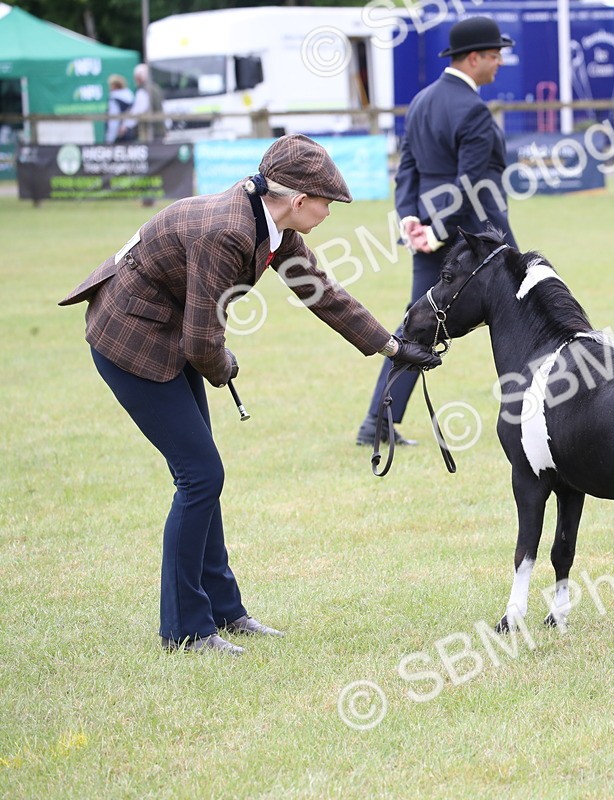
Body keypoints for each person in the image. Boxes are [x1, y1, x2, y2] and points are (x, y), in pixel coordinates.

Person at [59, 134, 442, 655]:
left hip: (169, 335)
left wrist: (392, 347)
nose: (331, 212)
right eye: (328, 203)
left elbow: (322, 293)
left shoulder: (271, 225)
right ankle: (186, 630)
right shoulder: (230, 232)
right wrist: (224, 366)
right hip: (132, 339)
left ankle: (225, 611)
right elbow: (200, 340)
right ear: (299, 199)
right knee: (201, 475)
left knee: (201, 475)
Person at [355, 16, 519, 447]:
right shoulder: (474, 111)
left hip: (429, 230)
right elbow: (469, 182)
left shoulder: (422, 101)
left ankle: (378, 420)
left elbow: (406, 169)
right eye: (495, 55)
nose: (500, 62)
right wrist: (439, 227)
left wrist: (411, 218)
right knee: (527, 307)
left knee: (419, 322)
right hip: (476, 236)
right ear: (474, 58)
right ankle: (546, 403)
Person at [131, 63, 166, 143]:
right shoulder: (156, 88)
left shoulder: (143, 91)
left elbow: (137, 111)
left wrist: (125, 126)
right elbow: (163, 107)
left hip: (149, 132)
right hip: (160, 130)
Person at [105, 75, 135, 144]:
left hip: (119, 136)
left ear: (114, 86)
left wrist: (110, 139)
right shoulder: (130, 96)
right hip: (131, 134)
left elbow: (113, 120)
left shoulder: (114, 99)